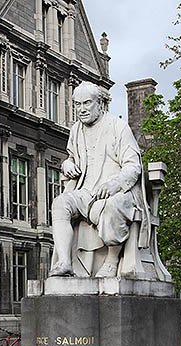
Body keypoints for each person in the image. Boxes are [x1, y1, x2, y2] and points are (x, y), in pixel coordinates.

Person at [49, 81, 151, 278]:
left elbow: (133, 166)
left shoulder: (118, 127)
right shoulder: (76, 130)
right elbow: (71, 157)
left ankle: (112, 260)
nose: (81, 109)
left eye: (87, 103)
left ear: (100, 104)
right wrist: (67, 165)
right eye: (77, 105)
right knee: (60, 203)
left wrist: (114, 184)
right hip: (86, 192)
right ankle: (64, 263)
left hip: (117, 192)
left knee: (113, 206)